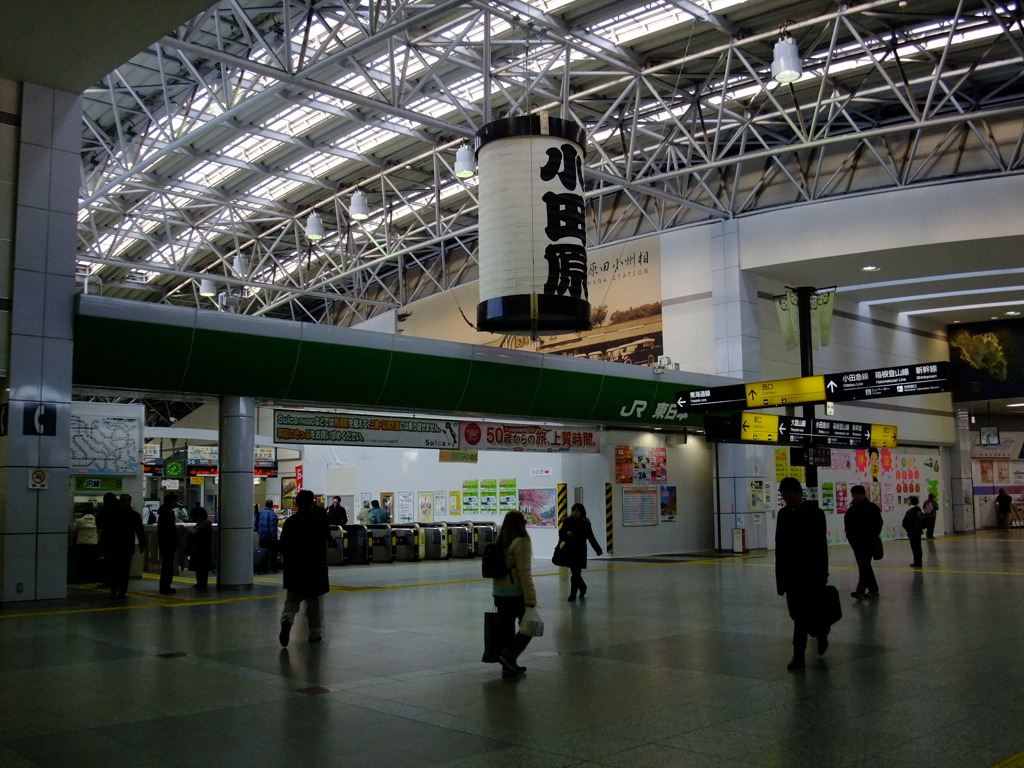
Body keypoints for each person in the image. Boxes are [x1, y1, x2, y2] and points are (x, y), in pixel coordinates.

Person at [775, 477, 829, 671]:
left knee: (801, 617)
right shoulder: (783, 515)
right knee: (796, 615)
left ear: (799, 493)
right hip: (791, 576)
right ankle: (821, 632)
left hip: (810, 574)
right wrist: (780, 579)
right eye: (784, 497)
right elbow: (779, 548)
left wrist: (822, 575)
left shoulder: (815, 514)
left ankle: (799, 656)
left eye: (789, 496)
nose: (786, 500)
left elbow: (820, 547)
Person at [278, 489, 332, 647]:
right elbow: (324, 543)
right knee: (313, 603)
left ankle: (286, 620)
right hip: (313, 568)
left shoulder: (290, 522)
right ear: (312, 503)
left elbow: (283, 546)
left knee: (292, 600)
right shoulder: (317, 521)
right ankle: (314, 633)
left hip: (294, 568)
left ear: (296, 504)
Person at [490, 510, 538, 677]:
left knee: (506, 630)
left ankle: (508, 666)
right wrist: (531, 598)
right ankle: (508, 655)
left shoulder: (501, 541)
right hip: (515, 593)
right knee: (529, 627)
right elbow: (524, 572)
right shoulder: (521, 542)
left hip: (499, 593)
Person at [559, 502, 603, 601]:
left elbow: (591, 537)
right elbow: (561, 533)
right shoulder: (567, 521)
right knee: (575, 574)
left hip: (580, 551)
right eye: (574, 510)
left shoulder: (585, 523)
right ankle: (582, 588)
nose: (575, 513)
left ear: (582, 512)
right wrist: (567, 534)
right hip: (569, 551)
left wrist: (598, 550)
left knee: (575, 574)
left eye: (577, 511)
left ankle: (573, 594)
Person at [845, 484, 883, 600]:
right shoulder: (852, 510)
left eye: (857, 494)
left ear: (863, 494)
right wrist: (851, 539)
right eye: (853, 494)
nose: (855, 496)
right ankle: (873, 590)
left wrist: (872, 536)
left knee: (863, 565)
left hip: (869, 543)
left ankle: (860, 591)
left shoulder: (872, 508)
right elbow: (848, 526)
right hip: (856, 544)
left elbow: (878, 524)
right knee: (865, 566)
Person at [106, 494, 145, 598]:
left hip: (120, 545)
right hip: (123, 545)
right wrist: (141, 544)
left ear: (129, 501)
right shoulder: (133, 515)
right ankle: (117, 589)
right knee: (119, 569)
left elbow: (140, 531)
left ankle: (119, 590)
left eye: (126, 501)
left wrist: (142, 543)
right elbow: (139, 531)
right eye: (123, 501)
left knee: (122, 569)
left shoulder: (113, 514)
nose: (124, 503)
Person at [157, 492, 180, 595]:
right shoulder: (166, 514)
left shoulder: (164, 512)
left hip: (165, 543)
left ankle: (166, 585)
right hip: (167, 543)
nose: (176, 504)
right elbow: (168, 530)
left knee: (167, 565)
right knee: (167, 565)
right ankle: (165, 586)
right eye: (175, 501)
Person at [95, 492, 120, 589]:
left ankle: (109, 581)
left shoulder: (106, 510)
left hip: (108, 541)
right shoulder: (120, 508)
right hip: (120, 541)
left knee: (108, 562)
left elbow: (100, 521)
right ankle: (117, 581)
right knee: (118, 563)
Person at [187, 508, 214, 591]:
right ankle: (200, 582)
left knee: (201, 568)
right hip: (200, 550)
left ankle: (202, 583)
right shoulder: (202, 525)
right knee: (200, 568)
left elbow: (196, 536)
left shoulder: (203, 526)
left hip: (201, 550)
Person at [71, 507, 100, 582]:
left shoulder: (80, 521)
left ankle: (82, 577)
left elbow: (74, 530)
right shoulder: (96, 520)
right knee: (92, 561)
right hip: (93, 544)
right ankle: (92, 577)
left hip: (82, 544)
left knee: (82, 561)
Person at [256, 499, 280, 572]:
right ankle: (272, 567)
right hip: (269, 536)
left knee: (263, 552)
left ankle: (263, 567)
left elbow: (256, 524)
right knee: (273, 552)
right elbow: (273, 527)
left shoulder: (260, 513)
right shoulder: (272, 514)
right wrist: (274, 537)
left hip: (261, 536)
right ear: (272, 505)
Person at [902, 495, 924, 568]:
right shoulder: (919, 510)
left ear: (910, 502)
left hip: (912, 531)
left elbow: (905, 522)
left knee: (914, 547)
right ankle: (919, 561)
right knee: (918, 547)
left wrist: (907, 528)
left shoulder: (910, 511)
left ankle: (916, 562)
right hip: (918, 531)